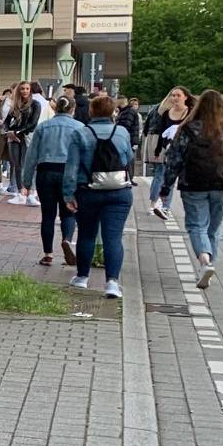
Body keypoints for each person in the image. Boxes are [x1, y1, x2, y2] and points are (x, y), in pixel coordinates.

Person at [160, 90, 223, 290]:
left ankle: (204, 261)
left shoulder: (188, 129)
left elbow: (174, 160)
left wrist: (165, 187)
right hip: (222, 184)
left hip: (193, 184)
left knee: (196, 225)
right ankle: (208, 264)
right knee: (214, 228)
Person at [62, 95, 136, 299]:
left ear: (91, 112)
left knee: (86, 234)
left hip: (88, 192)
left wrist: (68, 194)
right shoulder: (122, 132)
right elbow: (129, 158)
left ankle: (82, 278)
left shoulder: (81, 134)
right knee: (113, 237)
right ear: (113, 111)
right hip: (119, 192)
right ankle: (112, 282)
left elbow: (71, 168)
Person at [21, 95, 84, 267]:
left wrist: (26, 182)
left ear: (55, 108)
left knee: (48, 215)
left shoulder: (43, 127)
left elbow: (31, 156)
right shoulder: (80, 128)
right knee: (69, 212)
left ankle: (48, 254)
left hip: (46, 172)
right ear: (73, 108)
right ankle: (67, 240)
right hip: (69, 172)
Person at [145, 86, 191, 221]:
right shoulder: (166, 112)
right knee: (165, 175)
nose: (175, 98)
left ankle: (158, 205)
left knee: (167, 176)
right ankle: (161, 206)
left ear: (185, 97)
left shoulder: (189, 112)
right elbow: (161, 131)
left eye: (178, 95)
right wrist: (158, 149)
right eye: (173, 95)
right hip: (168, 147)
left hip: (178, 147)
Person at [1, 81, 41, 205]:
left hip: (27, 136)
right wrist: (8, 132)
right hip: (13, 137)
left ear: (30, 90)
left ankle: (31, 193)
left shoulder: (35, 104)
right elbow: (6, 122)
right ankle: (20, 193)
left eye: (27, 88)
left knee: (28, 165)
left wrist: (17, 132)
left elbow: (33, 123)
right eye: (22, 88)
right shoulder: (15, 105)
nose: (25, 91)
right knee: (17, 165)